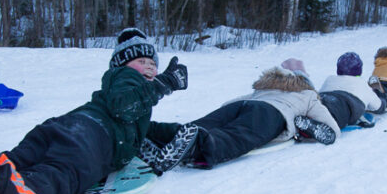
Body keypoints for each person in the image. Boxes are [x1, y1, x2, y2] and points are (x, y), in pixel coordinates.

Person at [7, 28, 188, 194]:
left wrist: (178, 131)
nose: (149, 66)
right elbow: (124, 108)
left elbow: (142, 125)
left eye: (153, 64)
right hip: (90, 138)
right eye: (141, 61)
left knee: (10, 163)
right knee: (51, 179)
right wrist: (163, 83)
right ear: (121, 66)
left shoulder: (129, 94)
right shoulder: (128, 77)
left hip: (65, 126)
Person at [143, 58, 340, 171]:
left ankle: (153, 132)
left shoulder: (265, 87)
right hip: (272, 114)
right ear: (305, 80)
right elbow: (331, 128)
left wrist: (224, 113)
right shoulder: (307, 94)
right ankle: (196, 147)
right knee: (235, 136)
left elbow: (233, 102)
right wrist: (306, 126)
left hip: (245, 104)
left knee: (200, 125)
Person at [318, 52, 382, 129]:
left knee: (320, 109)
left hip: (322, 99)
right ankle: (324, 126)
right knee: (337, 115)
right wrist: (383, 100)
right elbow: (377, 106)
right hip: (343, 105)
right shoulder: (361, 83)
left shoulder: (329, 79)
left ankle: (309, 121)